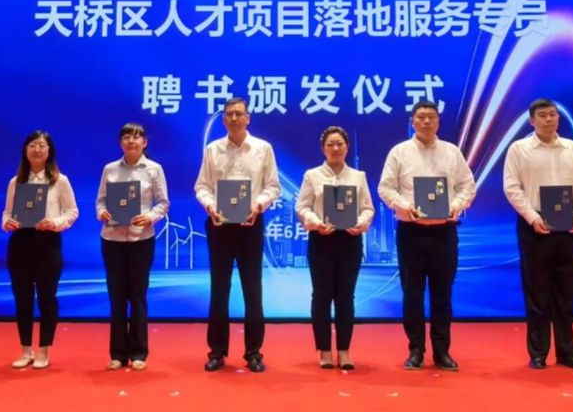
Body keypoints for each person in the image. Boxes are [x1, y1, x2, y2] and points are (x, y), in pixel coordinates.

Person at [378, 101, 476, 371]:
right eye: (420, 117)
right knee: (412, 293)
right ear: (412, 121)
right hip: (411, 232)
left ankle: (442, 351)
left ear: (438, 121)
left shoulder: (452, 152)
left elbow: (467, 186)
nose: (426, 122)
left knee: (443, 293)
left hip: (444, 232)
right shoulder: (399, 152)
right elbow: (385, 188)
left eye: (431, 117)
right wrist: (405, 206)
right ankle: (416, 350)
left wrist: (455, 206)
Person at [503, 98, 573, 370]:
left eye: (553, 114)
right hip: (534, 225)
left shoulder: (572, 148)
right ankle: (538, 352)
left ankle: (567, 352)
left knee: (566, 292)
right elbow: (511, 187)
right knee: (537, 291)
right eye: (542, 115)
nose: (549, 119)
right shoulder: (519, 149)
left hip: (569, 225)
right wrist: (532, 217)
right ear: (532, 121)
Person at [194, 96, 281, 373]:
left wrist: (259, 205)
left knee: (253, 290)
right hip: (219, 225)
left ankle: (254, 352)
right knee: (219, 290)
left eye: (239, 114)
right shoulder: (213, 149)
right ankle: (217, 352)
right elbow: (202, 186)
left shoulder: (263, 148)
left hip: (249, 225)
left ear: (248, 118)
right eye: (229, 114)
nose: (234, 118)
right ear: (223, 119)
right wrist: (210, 206)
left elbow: (273, 186)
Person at [295, 126, 376, 370]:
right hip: (322, 240)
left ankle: (344, 350)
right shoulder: (312, 175)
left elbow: (367, 208)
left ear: (347, 147)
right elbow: (302, 207)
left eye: (340, 143)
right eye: (330, 144)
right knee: (321, 296)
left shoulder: (358, 176)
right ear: (323, 148)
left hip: (349, 241)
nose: (336, 148)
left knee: (346, 297)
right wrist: (315, 222)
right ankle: (324, 350)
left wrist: (360, 223)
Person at [2, 131, 78, 370]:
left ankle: (44, 350)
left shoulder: (59, 180)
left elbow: (72, 212)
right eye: (32, 145)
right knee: (22, 298)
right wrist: (6, 223)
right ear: (25, 150)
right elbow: (7, 212)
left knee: (47, 298)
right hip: (20, 243)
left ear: (49, 151)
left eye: (41, 145)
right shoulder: (16, 182)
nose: (36, 150)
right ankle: (26, 350)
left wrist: (55, 223)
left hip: (48, 243)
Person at [96, 122, 170, 371]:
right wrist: (102, 213)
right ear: (120, 143)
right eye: (126, 137)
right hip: (112, 240)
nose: (131, 141)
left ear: (144, 143)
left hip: (141, 239)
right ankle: (118, 354)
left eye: (136, 137)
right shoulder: (110, 169)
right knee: (116, 297)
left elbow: (163, 203)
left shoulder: (154, 169)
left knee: (137, 297)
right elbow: (100, 201)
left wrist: (149, 217)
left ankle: (139, 352)